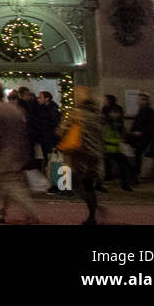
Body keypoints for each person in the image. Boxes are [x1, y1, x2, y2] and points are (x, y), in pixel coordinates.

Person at [0, 82, 39, 224]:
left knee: (12, 185)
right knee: (5, 184)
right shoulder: (16, 109)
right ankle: (1, 212)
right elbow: (25, 132)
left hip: (3, 153)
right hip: (19, 151)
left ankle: (31, 212)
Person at [58, 90, 105, 224]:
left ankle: (92, 209)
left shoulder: (75, 114)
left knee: (74, 183)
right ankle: (92, 214)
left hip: (80, 155)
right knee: (89, 185)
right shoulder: (98, 116)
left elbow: (62, 130)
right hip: (94, 156)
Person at [101, 97, 131, 191]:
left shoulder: (116, 123)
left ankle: (125, 184)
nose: (117, 114)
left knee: (122, 165)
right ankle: (124, 184)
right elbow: (108, 136)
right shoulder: (109, 123)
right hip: (109, 147)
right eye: (115, 112)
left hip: (114, 148)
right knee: (122, 165)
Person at [127, 93, 154, 184]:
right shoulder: (140, 111)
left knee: (138, 156)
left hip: (145, 138)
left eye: (143, 99)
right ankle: (134, 175)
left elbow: (152, 125)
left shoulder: (151, 112)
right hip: (137, 137)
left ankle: (135, 175)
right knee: (136, 156)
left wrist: (142, 132)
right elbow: (135, 123)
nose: (140, 101)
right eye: (140, 99)